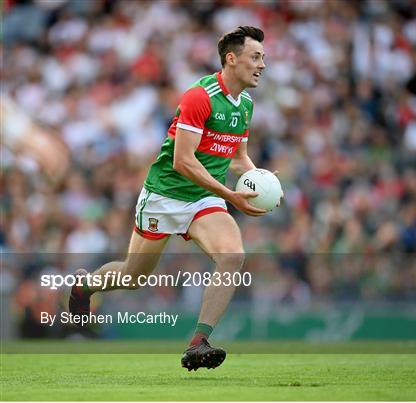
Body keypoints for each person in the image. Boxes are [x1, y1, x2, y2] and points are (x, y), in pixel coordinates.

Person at [69, 26, 273, 371]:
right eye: (256, 57)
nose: (262, 65)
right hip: (164, 196)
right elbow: (183, 160)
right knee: (134, 277)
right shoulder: (200, 96)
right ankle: (84, 286)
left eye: (263, 58)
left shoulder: (246, 104)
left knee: (233, 256)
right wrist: (229, 195)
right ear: (231, 58)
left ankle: (199, 342)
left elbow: (238, 159)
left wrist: (261, 184)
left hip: (204, 200)